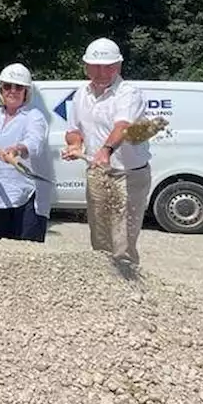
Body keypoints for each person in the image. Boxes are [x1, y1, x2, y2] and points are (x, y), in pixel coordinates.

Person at [62, 38, 151, 266]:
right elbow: (74, 130)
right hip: (98, 173)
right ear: (86, 67)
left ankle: (128, 284)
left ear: (118, 66)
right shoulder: (81, 94)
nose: (101, 72)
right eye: (95, 66)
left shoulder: (128, 93)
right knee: (100, 235)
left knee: (123, 239)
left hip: (128, 174)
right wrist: (75, 145)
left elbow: (123, 126)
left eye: (108, 66)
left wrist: (106, 150)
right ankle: (105, 282)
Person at [0, 63, 52, 242]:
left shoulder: (34, 116)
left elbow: (34, 143)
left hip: (28, 194)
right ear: (1, 89)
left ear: (26, 91)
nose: (12, 91)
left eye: (18, 87)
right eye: (8, 86)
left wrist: (18, 149)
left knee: (27, 253)